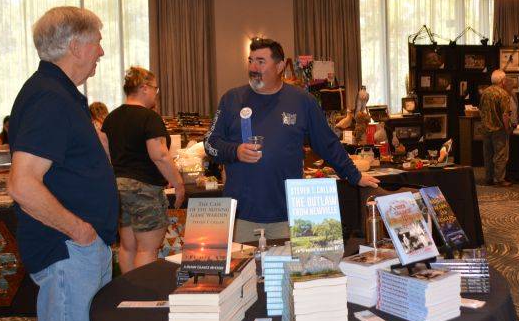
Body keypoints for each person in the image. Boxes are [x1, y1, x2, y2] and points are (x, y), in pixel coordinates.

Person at [6, 6, 118, 321]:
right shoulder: (50, 97)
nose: (101, 51)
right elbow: (22, 184)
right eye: (97, 43)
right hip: (69, 250)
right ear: (75, 45)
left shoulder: (59, 93)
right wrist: (79, 231)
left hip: (79, 249)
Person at [205, 37, 380, 242]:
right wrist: (235, 151)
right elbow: (210, 143)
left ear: (279, 66)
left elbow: (327, 143)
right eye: (250, 60)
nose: (253, 67)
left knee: (290, 273)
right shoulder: (231, 99)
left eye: (261, 62)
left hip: (289, 215)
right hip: (241, 217)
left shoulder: (302, 101)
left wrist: (354, 175)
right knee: (243, 274)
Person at [102, 66, 185, 273]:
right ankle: (142, 299)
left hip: (118, 188)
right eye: (156, 89)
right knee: (147, 249)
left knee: (127, 247)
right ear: (144, 88)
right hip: (144, 190)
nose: (156, 94)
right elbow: (160, 155)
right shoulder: (149, 117)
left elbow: (106, 153)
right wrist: (178, 184)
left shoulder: (111, 118)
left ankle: (128, 296)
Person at [479, 69, 512, 187]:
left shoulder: (485, 92)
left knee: (488, 154)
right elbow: (505, 115)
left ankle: (488, 178)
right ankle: (499, 179)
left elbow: (481, 110)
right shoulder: (503, 94)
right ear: (503, 80)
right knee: (501, 155)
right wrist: (507, 128)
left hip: (485, 129)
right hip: (499, 129)